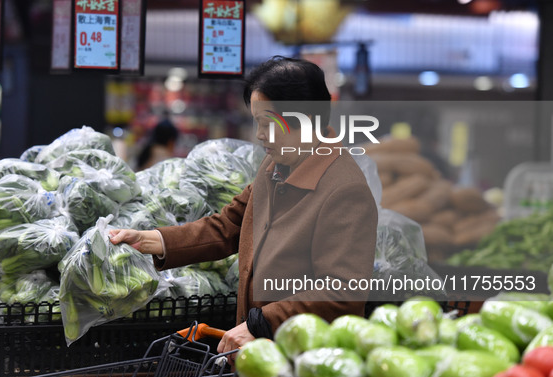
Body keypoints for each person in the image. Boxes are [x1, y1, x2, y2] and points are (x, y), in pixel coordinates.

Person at [109, 56, 378, 360]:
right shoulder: (275, 165)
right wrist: (154, 240)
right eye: (257, 123)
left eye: (268, 123)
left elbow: (342, 291)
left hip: (303, 362)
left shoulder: (345, 190)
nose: (260, 135)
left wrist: (263, 322)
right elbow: (228, 226)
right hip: (258, 356)